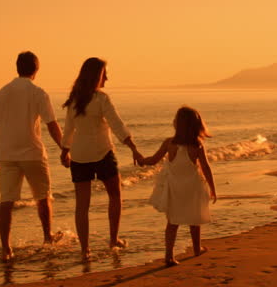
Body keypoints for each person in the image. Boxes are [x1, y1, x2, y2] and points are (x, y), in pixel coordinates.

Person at [60, 57, 144, 261]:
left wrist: (65, 151)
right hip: (102, 153)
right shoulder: (100, 99)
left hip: (79, 156)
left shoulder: (74, 100)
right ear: (96, 76)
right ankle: (113, 240)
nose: (107, 77)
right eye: (104, 73)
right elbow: (117, 124)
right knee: (115, 195)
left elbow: (69, 130)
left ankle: (85, 250)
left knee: (82, 205)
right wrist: (133, 148)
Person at [0, 51, 63, 261]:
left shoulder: (2, 92)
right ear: (36, 70)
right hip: (32, 152)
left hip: (7, 154)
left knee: (6, 202)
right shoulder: (38, 93)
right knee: (43, 197)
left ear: (17, 67)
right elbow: (52, 125)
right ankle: (47, 237)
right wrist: (64, 148)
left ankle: (6, 248)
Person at [138, 106, 217, 266]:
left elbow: (153, 160)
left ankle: (169, 256)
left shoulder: (169, 143)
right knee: (194, 219)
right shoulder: (197, 145)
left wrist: (141, 160)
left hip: (174, 187)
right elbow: (206, 167)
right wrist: (213, 188)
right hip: (193, 186)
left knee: (172, 222)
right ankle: (197, 249)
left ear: (178, 124)